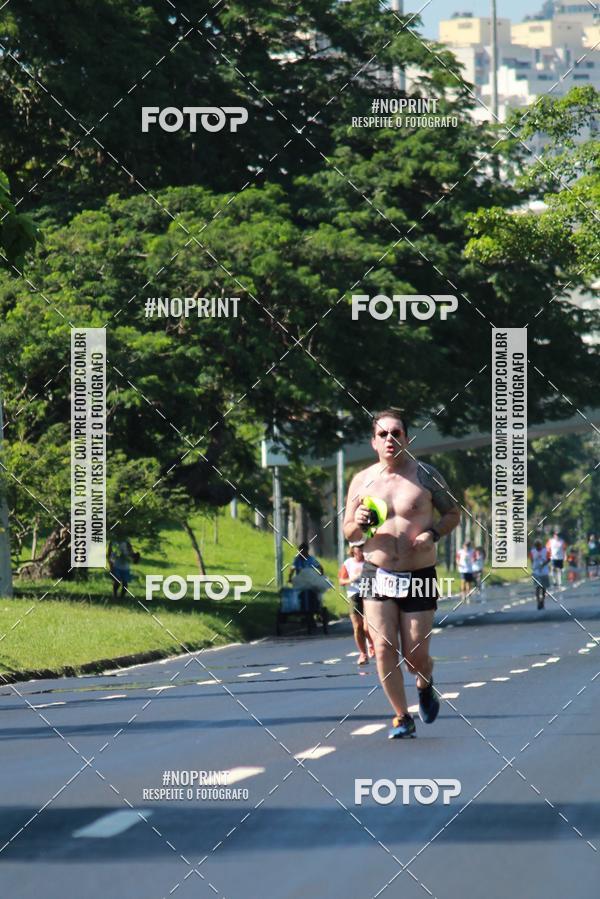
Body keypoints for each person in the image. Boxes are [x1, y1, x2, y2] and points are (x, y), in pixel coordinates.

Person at [343, 409, 460, 739]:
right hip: (374, 572)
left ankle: (425, 682)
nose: (390, 439)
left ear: (407, 439)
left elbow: (453, 513)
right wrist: (359, 524)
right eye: (383, 435)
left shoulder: (426, 476)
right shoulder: (362, 481)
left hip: (418, 573)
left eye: (396, 433)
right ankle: (401, 717)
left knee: (415, 655)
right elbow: (348, 532)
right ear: (373, 442)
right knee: (382, 648)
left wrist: (433, 534)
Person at [338, 545, 374, 665]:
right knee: (358, 626)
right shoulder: (348, 563)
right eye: (358, 549)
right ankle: (363, 654)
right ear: (353, 550)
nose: (361, 551)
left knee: (367, 627)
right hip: (354, 594)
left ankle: (371, 644)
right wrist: (351, 579)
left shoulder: (370, 561)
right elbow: (341, 581)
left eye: (363, 548)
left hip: (369, 593)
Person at [289, 542, 324, 630]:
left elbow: (320, 567)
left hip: (310, 583)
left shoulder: (311, 560)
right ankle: (299, 610)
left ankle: (315, 607)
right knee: (296, 594)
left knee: (315, 594)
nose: (302, 553)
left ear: (307, 551)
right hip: (301, 583)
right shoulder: (297, 560)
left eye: (304, 551)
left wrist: (320, 576)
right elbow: (292, 569)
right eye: (300, 551)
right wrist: (290, 578)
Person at [530, 538, 550, 609]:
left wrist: (543, 564)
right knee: (537, 588)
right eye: (537, 546)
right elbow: (532, 560)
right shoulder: (532, 551)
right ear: (535, 546)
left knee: (543, 588)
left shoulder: (545, 551)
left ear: (541, 545)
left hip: (544, 572)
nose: (538, 547)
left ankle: (542, 601)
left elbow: (548, 559)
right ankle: (539, 602)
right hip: (536, 572)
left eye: (539, 545)